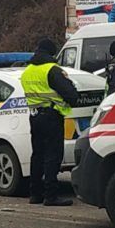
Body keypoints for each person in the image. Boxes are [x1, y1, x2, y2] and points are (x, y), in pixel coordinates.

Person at [21, 38, 79, 206]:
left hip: (34, 116)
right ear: (52, 53)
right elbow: (70, 94)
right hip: (51, 116)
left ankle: (35, 194)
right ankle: (51, 195)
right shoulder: (52, 70)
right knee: (52, 156)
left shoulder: (27, 71)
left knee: (37, 155)